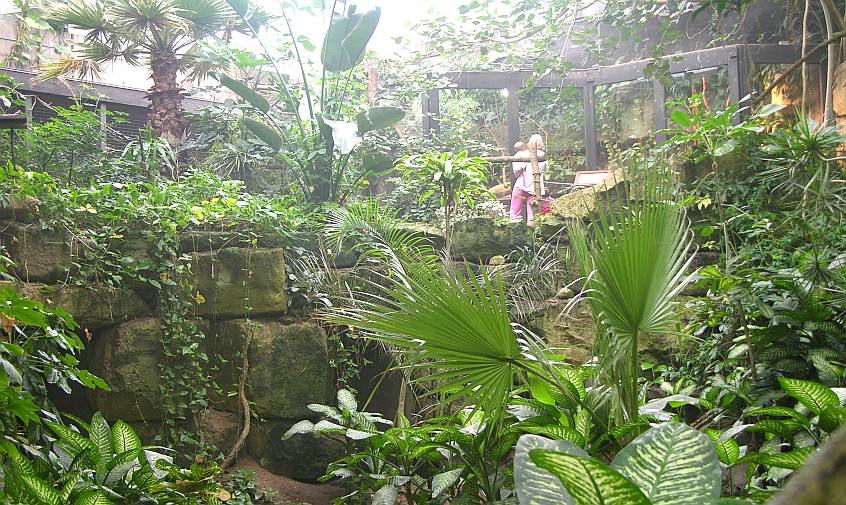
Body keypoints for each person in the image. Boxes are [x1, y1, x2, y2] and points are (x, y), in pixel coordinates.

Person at [510, 135, 549, 225]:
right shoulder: (543, 155)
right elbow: (544, 170)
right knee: (532, 211)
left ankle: (513, 226)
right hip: (535, 187)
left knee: (515, 209)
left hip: (521, 186)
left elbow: (517, 170)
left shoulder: (522, 154)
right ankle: (532, 231)